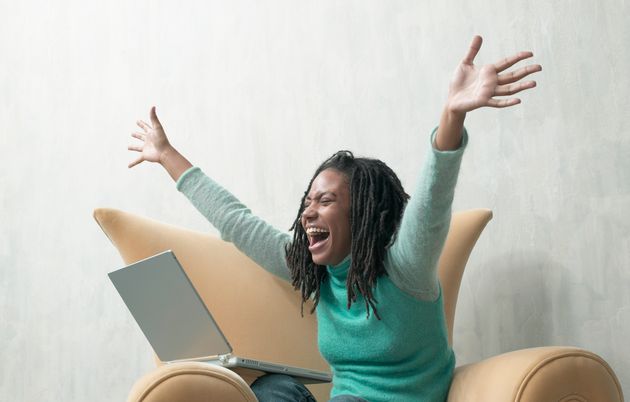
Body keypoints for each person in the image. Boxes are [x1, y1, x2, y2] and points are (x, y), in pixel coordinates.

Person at [127, 35, 541, 402]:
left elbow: (432, 203)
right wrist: (166, 155)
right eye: (307, 201)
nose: (308, 213)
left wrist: (452, 115)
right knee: (269, 389)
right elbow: (237, 222)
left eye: (325, 201)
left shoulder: (406, 268)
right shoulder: (315, 269)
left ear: (361, 213)